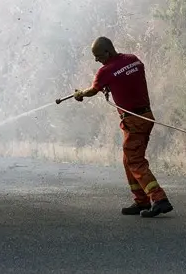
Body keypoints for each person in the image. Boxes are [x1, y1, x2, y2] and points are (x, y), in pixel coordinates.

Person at [73, 36, 174, 218]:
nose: (96, 60)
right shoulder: (133, 59)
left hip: (133, 120)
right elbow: (128, 79)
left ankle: (159, 200)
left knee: (135, 160)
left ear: (107, 51)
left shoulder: (105, 72)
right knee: (128, 159)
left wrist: (80, 94)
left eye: (97, 56)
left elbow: (92, 91)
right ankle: (140, 201)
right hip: (146, 116)